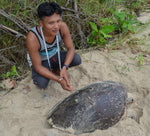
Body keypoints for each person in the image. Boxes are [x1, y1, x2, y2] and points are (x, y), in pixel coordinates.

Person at [26, 2, 81, 91]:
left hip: (54, 56)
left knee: (76, 59)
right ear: (41, 23)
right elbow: (38, 67)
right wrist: (58, 80)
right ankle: (50, 72)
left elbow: (71, 49)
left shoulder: (62, 27)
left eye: (58, 21)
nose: (56, 26)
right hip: (41, 61)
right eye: (51, 23)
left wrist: (64, 68)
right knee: (41, 83)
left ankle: (56, 69)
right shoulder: (32, 38)